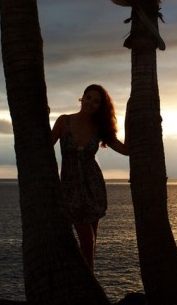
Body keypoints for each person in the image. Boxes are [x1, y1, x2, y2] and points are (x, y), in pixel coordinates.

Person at [51, 83, 129, 270]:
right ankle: (90, 284)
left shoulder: (99, 127)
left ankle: (89, 284)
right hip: (70, 188)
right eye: (89, 98)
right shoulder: (64, 121)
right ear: (82, 97)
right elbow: (45, 143)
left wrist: (131, 120)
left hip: (93, 187)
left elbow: (125, 150)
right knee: (87, 240)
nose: (91, 103)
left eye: (96, 102)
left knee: (91, 242)